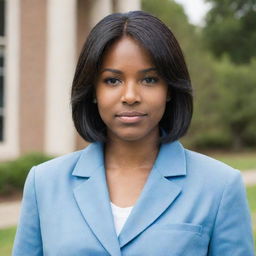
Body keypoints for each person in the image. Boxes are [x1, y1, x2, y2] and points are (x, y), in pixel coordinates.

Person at [12, 11, 254, 256]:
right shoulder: (44, 183)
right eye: (112, 81)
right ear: (93, 90)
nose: (130, 96)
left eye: (149, 80)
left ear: (169, 89)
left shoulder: (220, 186)